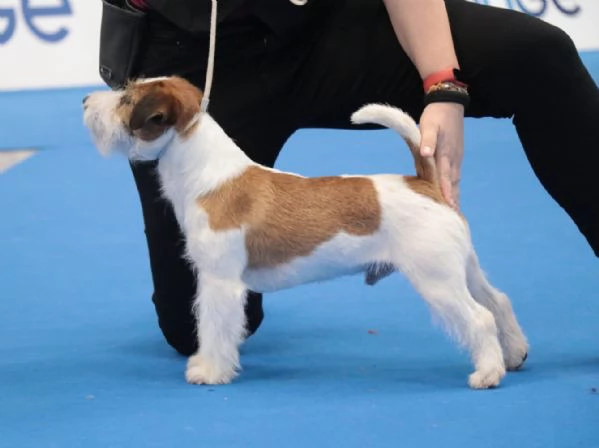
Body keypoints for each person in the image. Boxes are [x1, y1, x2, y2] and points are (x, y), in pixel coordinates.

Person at [98, 0, 599, 356]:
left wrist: (442, 83)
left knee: (537, 55)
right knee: (195, 328)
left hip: (329, 22)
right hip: (195, 54)